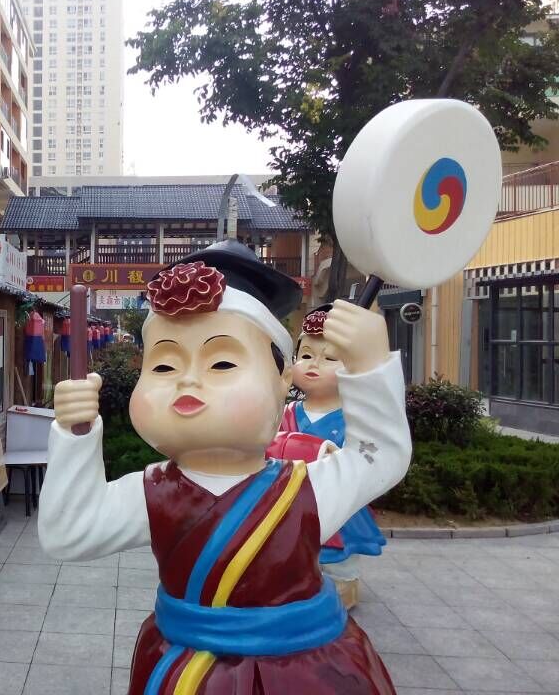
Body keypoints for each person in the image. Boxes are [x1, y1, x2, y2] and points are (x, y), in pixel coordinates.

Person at [38, 239, 411, 694]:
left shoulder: (308, 487)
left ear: (282, 380)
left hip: (300, 672)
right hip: (187, 670)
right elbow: (68, 533)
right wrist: (75, 436)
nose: (188, 380)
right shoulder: (152, 491)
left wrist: (371, 368)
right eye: (163, 367)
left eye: (221, 362)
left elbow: (380, 455)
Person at [271, 305, 386, 609]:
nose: (314, 364)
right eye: (306, 355)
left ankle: (340, 589)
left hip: (335, 499)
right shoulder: (285, 413)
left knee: (336, 555)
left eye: (330, 358)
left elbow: (367, 458)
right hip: (291, 498)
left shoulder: (354, 418)